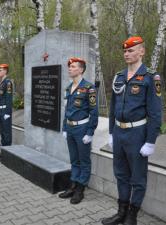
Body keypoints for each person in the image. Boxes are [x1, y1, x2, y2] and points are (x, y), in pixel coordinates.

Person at [102, 37, 162, 225]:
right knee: (121, 174)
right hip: (119, 133)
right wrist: (111, 132)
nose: (127, 54)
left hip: (138, 135)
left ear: (142, 52)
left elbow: (155, 112)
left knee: (138, 177)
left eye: (131, 50)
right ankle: (121, 211)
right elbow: (113, 107)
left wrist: (150, 141)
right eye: (125, 51)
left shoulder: (151, 77)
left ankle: (132, 215)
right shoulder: (119, 76)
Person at [58, 57, 98, 204]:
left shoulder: (89, 88)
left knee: (84, 161)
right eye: (69, 67)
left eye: (73, 67)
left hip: (82, 129)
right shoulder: (69, 88)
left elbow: (94, 112)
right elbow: (67, 110)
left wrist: (90, 132)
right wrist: (64, 128)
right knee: (74, 159)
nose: (70, 69)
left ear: (81, 69)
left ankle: (80, 189)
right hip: (70, 127)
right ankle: (73, 185)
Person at [0, 64, 13, 158]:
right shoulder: (1, 82)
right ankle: (3, 151)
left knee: (6, 132)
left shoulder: (8, 82)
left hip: (5, 110)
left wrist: (8, 113)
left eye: (0, 70)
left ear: (5, 71)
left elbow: (9, 99)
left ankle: (8, 153)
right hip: (0, 110)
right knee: (2, 131)